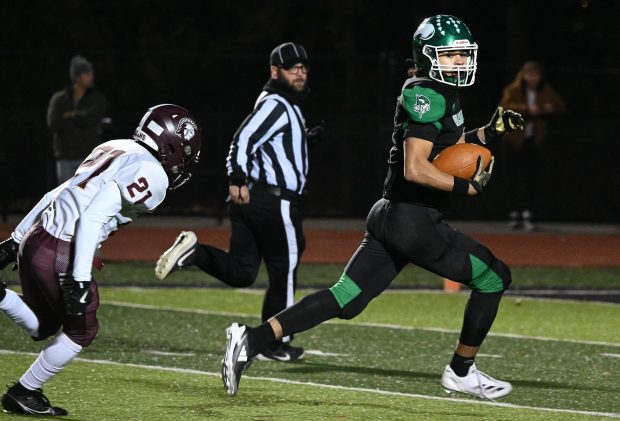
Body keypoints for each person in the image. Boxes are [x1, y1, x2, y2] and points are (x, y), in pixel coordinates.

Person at [220, 15, 525, 399]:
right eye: (450, 56)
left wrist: (488, 134)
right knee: (495, 277)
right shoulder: (428, 94)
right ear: (429, 57)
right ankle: (461, 372)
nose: (460, 63)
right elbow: (416, 168)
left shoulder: (438, 92)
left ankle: (250, 340)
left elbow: (449, 146)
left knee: (346, 299)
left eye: (463, 55)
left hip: (390, 215)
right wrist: (465, 188)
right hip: (414, 221)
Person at [0, 104, 202, 416]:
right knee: (83, 330)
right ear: (173, 145)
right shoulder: (154, 175)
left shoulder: (116, 146)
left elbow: (56, 193)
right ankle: (24, 390)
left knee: (44, 324)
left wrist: (15, 241)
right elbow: (93, 217)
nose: (184, 162)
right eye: (186, 152)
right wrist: (79, 279)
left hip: (38, 237)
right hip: (63, 249)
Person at [155, 42, 324, 362]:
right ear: (275, 72)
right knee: (284, 268)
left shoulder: (279, 103)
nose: (300, 72)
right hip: (272, 201)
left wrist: (304, 140)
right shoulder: (277, 103)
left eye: (303, 67)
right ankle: (275, 341)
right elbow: (242, 140)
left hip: (254, 202)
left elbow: (267, 145)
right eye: (292, 68)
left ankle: (195, 254)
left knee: (242, 272)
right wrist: (235, 178)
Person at [499, 61, 566, 231]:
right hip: (514, 139)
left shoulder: (545, 90)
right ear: (523, 75)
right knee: (512, 176)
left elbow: (560, 105)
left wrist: (546, 108)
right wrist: (527, 109)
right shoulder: (513, 89)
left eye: (535, 74)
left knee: (530, 176)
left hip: (533, 139)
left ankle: (528, 213)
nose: (532, 78)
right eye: (529, 74)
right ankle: (514, 213)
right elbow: (504, 106)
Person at [47, 55, 107, 184]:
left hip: (89, 157)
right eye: (87, 73)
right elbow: (53, 123)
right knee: (66, 197)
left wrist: (71, 116)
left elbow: (90, 119)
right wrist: (79, 119)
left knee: (88, 197)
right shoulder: (59, 99)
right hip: (65, 156)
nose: (92, 76)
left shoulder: (97, 99)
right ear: (77, 76)